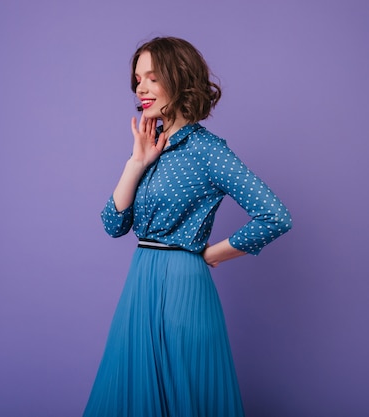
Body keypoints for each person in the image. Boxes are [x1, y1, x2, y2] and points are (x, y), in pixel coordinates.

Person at [83, 36, 292, 417]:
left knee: (185, 396)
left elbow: (275, 216)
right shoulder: (150, 146)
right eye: (137, 79)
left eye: (151, 77)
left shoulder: (209, 151)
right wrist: (136, 163)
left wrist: (212, 254)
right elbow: (113, 224)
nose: (140, 88)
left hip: (183, 285)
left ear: (178, 79)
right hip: (140, 282)